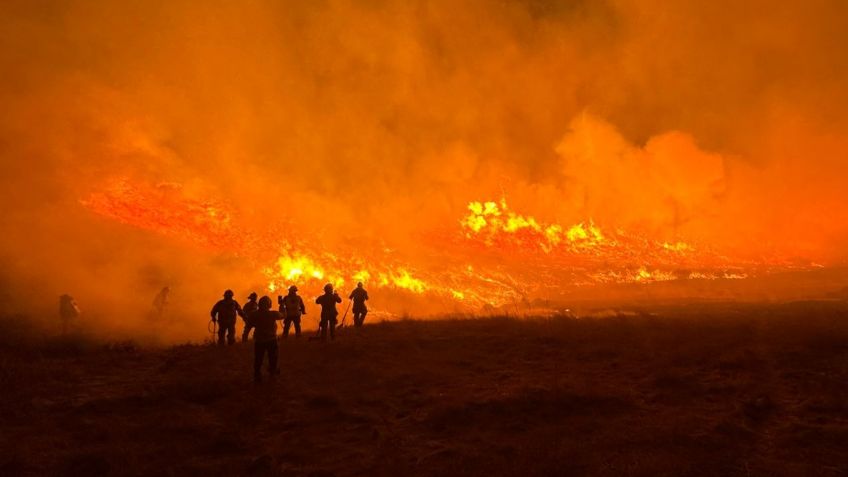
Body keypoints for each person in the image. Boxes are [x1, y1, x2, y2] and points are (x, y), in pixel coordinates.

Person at [248, 296, 283, 382]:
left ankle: (257, 375)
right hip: (271, 340)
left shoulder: (254, 314)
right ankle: (272, 373)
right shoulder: (273, 314)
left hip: (259, 340)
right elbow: (283, 315)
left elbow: (249, 323)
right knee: (273, 357)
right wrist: (282, 305)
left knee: (258, 358)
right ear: (269, 305)